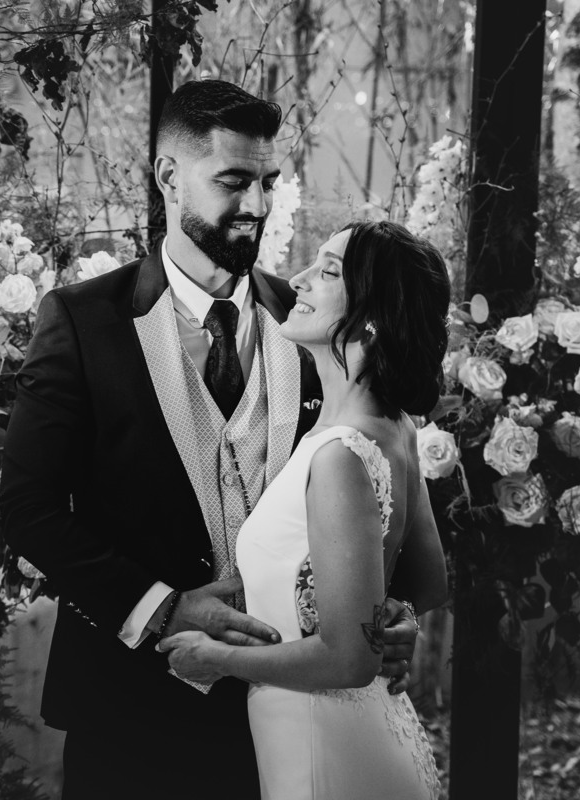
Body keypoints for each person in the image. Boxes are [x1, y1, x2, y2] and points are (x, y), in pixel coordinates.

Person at [0, 80, 422, 800]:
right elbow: (29, 509)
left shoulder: (316, 323)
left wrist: (390, 616)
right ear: (169, 177)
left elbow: (375, 490)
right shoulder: (82, 321)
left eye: (268, 182)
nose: (256, 204)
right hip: (131, 711)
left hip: (295, 711)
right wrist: (164, 607)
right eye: (233, 182)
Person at [159, 220, 451, 800]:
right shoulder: (396, 428)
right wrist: (397, 621)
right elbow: (428, 583)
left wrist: (217, 657)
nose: (298, 279)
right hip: (364, 730)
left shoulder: (341, 454)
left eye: (328, 271)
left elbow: (349, 661)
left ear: (371, 316)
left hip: (323, 749)